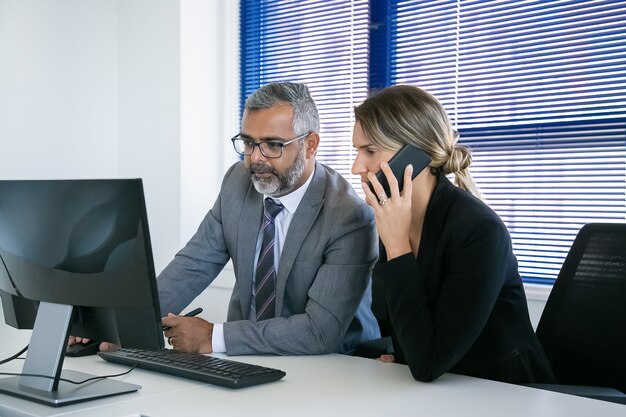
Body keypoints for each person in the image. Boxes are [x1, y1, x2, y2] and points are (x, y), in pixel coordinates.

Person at [157, 82, 380, 356]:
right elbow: (194, 264)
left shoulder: (348, 216)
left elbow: (320, 332)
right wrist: (126, 323)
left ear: (310, 145)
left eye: (273, 145)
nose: (255, 159)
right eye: (249, 143)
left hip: (331, 366)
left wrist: (212, 337)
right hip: (245, 357)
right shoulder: (237, 182)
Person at [351, 85, 555, 384]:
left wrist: (397, 248)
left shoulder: (479, 231)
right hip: (445, 386)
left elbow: (428, 364)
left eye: (370, 151)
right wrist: (410, 352)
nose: (357, 167)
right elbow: (393, 326)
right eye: (357, 151)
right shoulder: (396, 216)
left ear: (414, 156)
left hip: (504, 391)